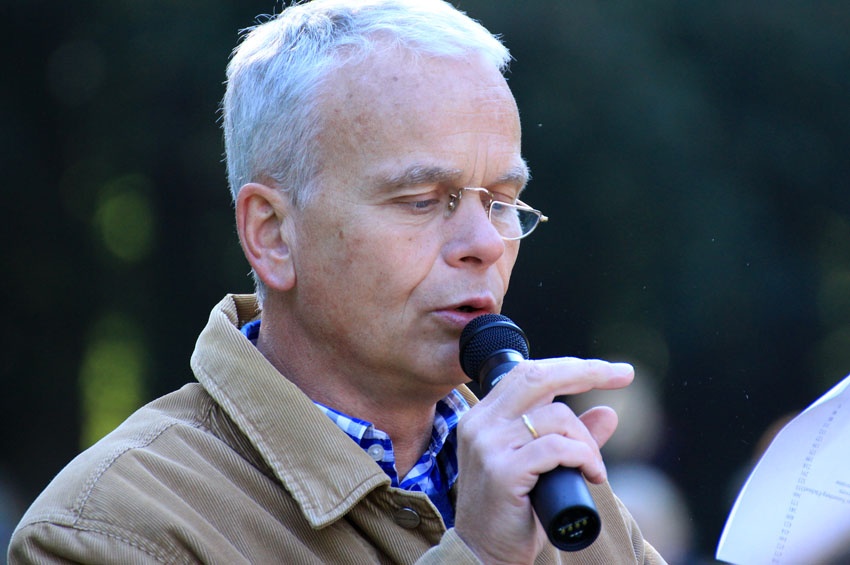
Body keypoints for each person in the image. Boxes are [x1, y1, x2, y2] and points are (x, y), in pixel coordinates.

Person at [9, 1, 665, 563]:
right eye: (421, 199)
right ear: (272, 233)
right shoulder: (112, 527)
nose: (487, 243)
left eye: (501, 201)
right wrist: (480, 553)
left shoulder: (564, 492)